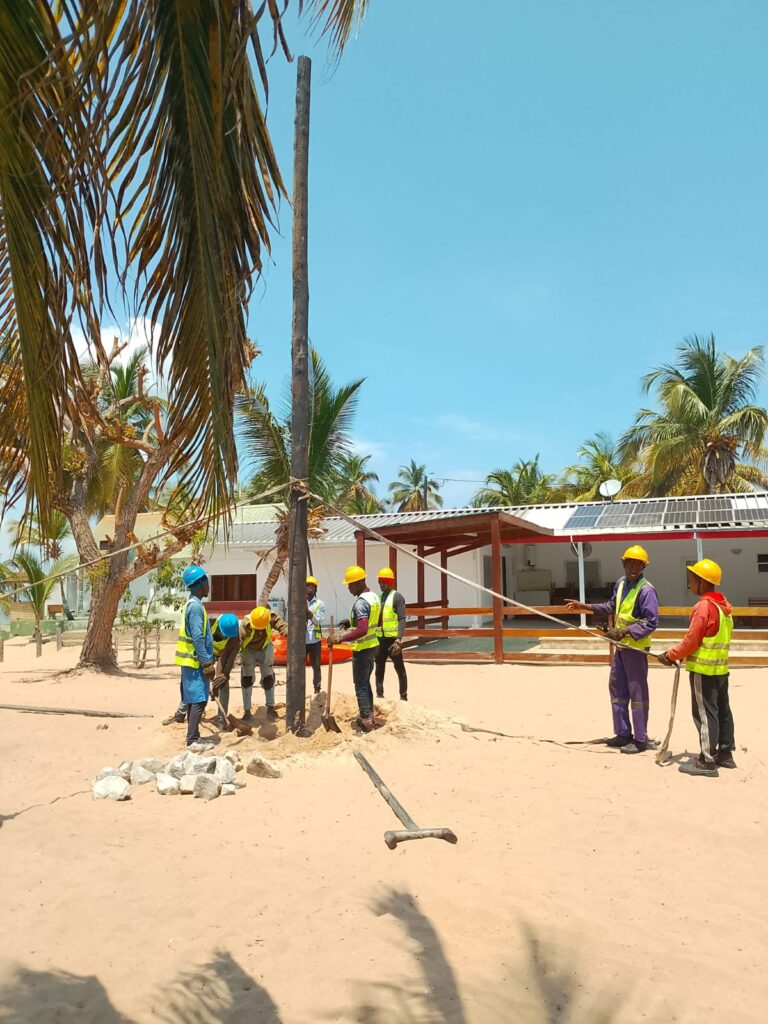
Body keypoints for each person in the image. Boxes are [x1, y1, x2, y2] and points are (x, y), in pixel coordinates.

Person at [565, 544, 658, 754]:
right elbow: (611, 606)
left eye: (637, 564)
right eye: (629, 563)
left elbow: (651, 622)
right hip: (621, 648)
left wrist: (623, 632)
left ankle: (640, 739)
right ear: (624, 564)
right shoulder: (621, 583)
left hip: (635, 649)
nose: (633, 568)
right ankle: (623, 733)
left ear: (643, 567)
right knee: (617, 689)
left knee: (637, 693)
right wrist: (584, 606)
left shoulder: (646, 590)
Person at [658, 558, 735, 778]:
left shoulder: (703, 607)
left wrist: (670, 655)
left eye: (691, 579)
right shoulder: (724, 607)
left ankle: (706, 761)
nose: (689, 583)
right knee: (723, 711)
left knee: (704, 714)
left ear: (702, 582)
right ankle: (725, 754)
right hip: (720, 669)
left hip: (703, 670)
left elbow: (692, 640)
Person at [334, 565, 381, 732]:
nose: (348, 588)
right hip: (373, 645)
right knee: (365, 682)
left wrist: (340, 638)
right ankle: (370, 715)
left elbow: (362, 629)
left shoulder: (361, 602)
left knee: (360, 684)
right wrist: (350, 622)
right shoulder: (374, 597)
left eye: (350, 584)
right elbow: (375, 621)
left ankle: (366, 720)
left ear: (358, 583)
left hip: (363, 649)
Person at [174, 565, 216, 750]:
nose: (209, 586)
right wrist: (206, 662)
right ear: (200, 584)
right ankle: (192, 740)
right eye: (207, 582)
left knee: (193, 699)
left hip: (190, 661)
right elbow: (198, 637)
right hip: (194, 662)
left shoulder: (192, 605)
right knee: (199, 700)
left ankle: (195, 736)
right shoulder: (196, 608)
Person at [240, 605, 288, 721]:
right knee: (247, 679)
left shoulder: (270, 617)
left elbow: (283, 627)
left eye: (262, 629)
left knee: (268, 678)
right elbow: (235, 644)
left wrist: (289, 634)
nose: (260, 631)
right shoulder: (245, 625)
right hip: (248, 650)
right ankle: (247, 712)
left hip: (265, 648)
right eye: (258, 629)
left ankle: (270, 708)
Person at [374, 567, 408, 700]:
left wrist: (399, 639)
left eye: (384, 582)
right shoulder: (378, 598)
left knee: (399, 668)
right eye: (380, 582)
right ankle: (379, 694)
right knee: (379, 668)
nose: (381, 584)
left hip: (393, 640)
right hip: (380, 640)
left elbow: (402, 618)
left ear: (389, 582)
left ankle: (403, 697)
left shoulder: (397, 597)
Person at [209, 612, 242, 726]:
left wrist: (219, 680)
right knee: (199, 679)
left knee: (223, 681)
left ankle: (221, 717)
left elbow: (225, 659)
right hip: (207, 652)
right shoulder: (210, 622)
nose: (226, 638)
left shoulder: (235, 636)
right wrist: (207, 665)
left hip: (223, 654)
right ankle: (187, 711)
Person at [306, 576, 325, 695]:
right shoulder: (299, 602)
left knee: (316, 666)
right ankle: (299, 688)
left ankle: (317, 688)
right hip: (301, 641)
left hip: (314, 641)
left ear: (316, 589)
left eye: (312, 586)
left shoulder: (319, 604)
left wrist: (310, 615)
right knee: (299, 667)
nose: (309, 588)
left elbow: (319, 620)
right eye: (307, 586)